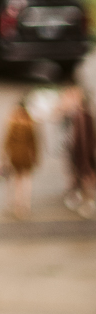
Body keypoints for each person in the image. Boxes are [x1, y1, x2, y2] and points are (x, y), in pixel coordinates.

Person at [61, 86, 96, 217]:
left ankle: (89, 202)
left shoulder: (81, 117)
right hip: (82, 153)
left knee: (86, 178)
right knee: (81, 177)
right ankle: (80, 198)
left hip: (82, 154)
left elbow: (82, 139)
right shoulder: (84, 115)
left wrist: (84, 157)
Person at [1, 99, 39, 219]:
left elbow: (6, 142)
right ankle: (25, 205)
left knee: (16, 181)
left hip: (14, 157)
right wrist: (35, 157)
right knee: (26, 181)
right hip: (26, 157)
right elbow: (34, 143)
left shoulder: (12, 123)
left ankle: (16, 204)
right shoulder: (30, 124)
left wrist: (4, 156)